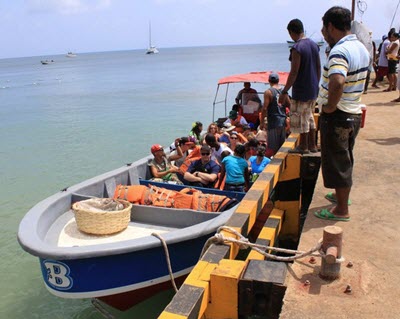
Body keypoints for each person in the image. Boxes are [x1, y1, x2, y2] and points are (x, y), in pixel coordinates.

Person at [314, 6, 369, 222]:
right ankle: (340, 196)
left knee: (336, 161)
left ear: (330, 26)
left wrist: (329, 106)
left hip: (339, 114)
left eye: (323, 28)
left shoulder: (339, 51)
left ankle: (341, 210)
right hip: (353, 111)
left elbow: (337, 81)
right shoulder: (361, 48)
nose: (322, 33)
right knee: (345, 157)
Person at [279, 18, 321, 154]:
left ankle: (303, 146)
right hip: (313, 88)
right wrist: (316, 84)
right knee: (309, 116)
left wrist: (285, 90)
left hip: (302, 89)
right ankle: (313, 145)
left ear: (291, 32)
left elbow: (294, 71)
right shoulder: (314, 45)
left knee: (302, 117)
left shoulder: (296, 48)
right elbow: (318, 67)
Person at [260, 72, 288, 155]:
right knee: (281, 146)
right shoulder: (283, 91)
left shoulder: (268, 92)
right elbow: (289, 104)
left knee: (273, 148)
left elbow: (265, 108)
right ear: (278, 80)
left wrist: (261, 122)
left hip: (273, 122)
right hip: (282, 121)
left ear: (269, 81)